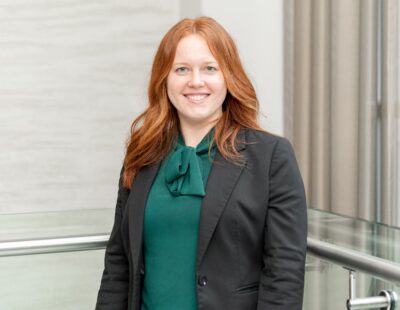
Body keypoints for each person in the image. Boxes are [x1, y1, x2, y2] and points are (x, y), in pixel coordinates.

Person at [95, 16, 307, 310]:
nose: (196, 81)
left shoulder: (272, 156)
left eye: (210, 68)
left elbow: (284, 273)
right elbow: (118, 263)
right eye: (182, 69)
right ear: (164, 79)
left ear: (228, 77)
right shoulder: (141, 153)